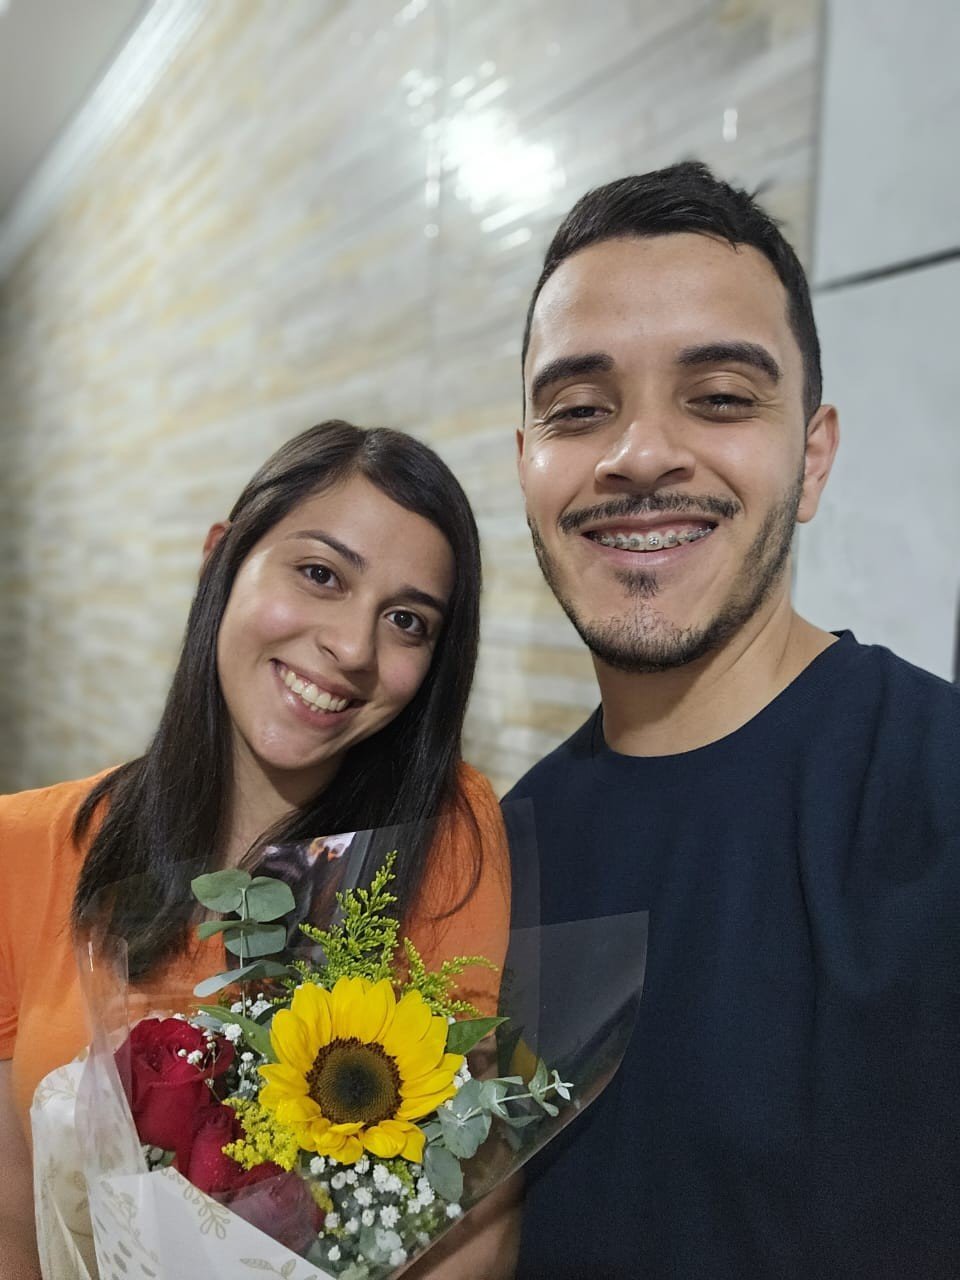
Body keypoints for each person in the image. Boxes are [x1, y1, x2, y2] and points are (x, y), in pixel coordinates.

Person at [505, 162, 960, 1279]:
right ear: (526, 465)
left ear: (812, 456)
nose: (639, 454)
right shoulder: (499, 853)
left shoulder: (935, 791)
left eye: (717, 397)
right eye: (579, 409)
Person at [0, 421, 513, 1278]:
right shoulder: (20, 848)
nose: (352, 648)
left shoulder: (447, 837)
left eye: (407, 620)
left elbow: (478, 1215)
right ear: (220, 562)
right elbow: (11, 1217)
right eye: (321, 574)